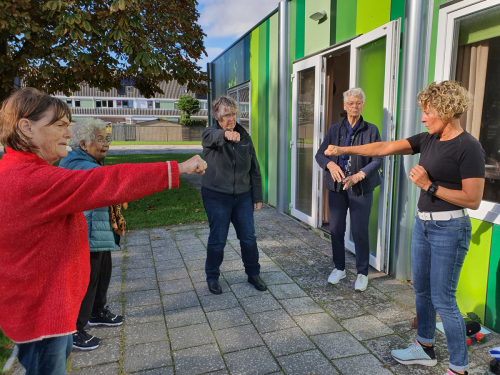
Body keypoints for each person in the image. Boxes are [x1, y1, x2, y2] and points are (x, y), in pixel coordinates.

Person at [0, 88, 206, 375]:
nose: (68, 134)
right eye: (59, 125)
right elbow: (107, 181)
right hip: (43, 321)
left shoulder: (15, 171)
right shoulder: (31, 180)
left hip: (36, 314)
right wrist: (178, 168)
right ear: (26, 127)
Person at [325, 81, 485, 375]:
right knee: (422, 292)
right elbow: (384, 147)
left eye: (427, 112)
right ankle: (424, 347)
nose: (423, 118)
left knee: (443, 299)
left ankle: (459, 367)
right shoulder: (427, 139)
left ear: (447, 111)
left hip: (450, 229)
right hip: (422, 225)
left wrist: (429, 186)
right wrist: (343, 148)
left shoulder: (469, 147)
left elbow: (473, 199)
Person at [59, 118, 124, 351]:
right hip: (86, 233)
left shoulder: (91, 161)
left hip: (99, 230)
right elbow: (101, 179)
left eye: (107, 139)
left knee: (102, 274)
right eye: (100, 139)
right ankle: (74, 330)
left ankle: (97, 312)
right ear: (84, 144)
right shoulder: (78, 163)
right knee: (86, 281)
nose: (105, 144)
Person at [315, 88, 383, 292]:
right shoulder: (335, 130)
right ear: (345, 106)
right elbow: (320, 154)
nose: (355, 106)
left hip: (360, 187)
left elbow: (378, 158)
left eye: (358, 103)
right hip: (337, 187)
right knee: (336, 229)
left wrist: (359, 175)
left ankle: (362, 272)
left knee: (359, 230)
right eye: (351, 103)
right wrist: (331, 165)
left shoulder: (371, 130)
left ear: (363, 105)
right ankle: (339, 268)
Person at [201, 95, 265, 295]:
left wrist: (257, 196)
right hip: (216, 195)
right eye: (227, 115)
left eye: (234, 114)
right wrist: (225, 135)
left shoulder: (244, 136)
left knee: (248, 238)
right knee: (218, 239)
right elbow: (210, 137)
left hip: (243, 196)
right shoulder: (210, 134)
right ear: (218, 117)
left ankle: (253, 274)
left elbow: (254, 168)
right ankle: (212, 277)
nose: (231, 119)